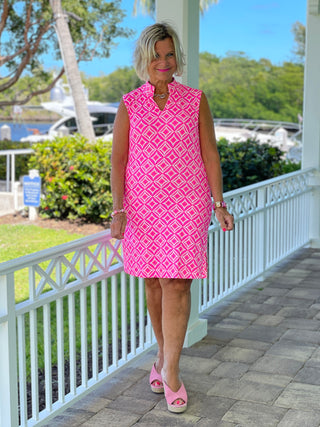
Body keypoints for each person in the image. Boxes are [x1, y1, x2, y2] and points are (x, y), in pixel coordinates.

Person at [111, 22, 234, 414]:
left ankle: (173, 372)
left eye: (169, 54)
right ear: (144, 60)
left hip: (187, 202)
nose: (164, 62)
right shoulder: (130, 103)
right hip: (143, 206)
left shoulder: (196, 99)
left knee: (177, 283)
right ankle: (162, 356)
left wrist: (218, 203)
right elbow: (118, 161)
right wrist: (118, 210)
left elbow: (210, 154)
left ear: (176, 58)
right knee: (152, 284)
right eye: (156, 55)